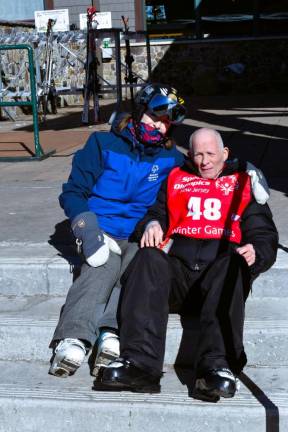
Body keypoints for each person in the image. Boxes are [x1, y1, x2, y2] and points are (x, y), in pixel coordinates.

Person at [96, 128, 278, 401]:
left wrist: (258, 251)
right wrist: (152, 224)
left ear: (225, 153)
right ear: (190, 155)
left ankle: (216, 368)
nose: (204, 161)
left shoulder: (244, 183)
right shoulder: (176, 179)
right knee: (147, 257)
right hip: (177, 277)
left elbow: (264, 233)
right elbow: (154, 214)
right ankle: (140, 366)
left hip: (217, 277)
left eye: (211, 154)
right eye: (198, 154)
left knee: (232, 264)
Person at [49, 83, 186, 377]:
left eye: (166, 122)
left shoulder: (172, 159)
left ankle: (110, 332)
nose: (160, 127)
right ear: (139, 112)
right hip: (102, 230)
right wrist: (87, 230)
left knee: (137, 271)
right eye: (154, 117)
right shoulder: (102, 144)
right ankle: (73, 337)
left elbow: (203, 172)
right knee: (103, 266)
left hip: (139, 233)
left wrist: (241, 170)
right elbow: (73, 192)